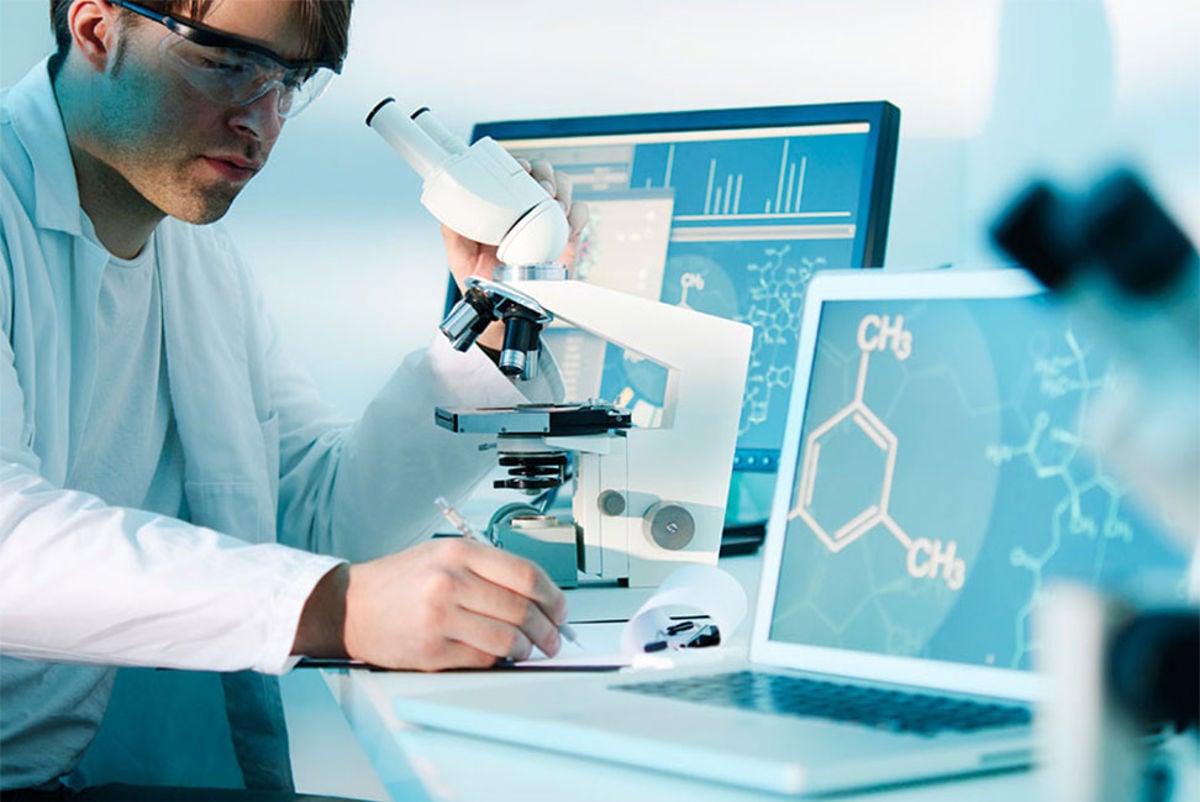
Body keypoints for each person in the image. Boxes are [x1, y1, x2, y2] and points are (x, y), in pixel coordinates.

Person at [0, 0, 587, 795]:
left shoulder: (199, 260)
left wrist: (489, 317)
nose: (263, 121)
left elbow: (316, 517)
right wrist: (337, 605)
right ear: (98, 27)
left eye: (291, 80)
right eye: (228, 63)